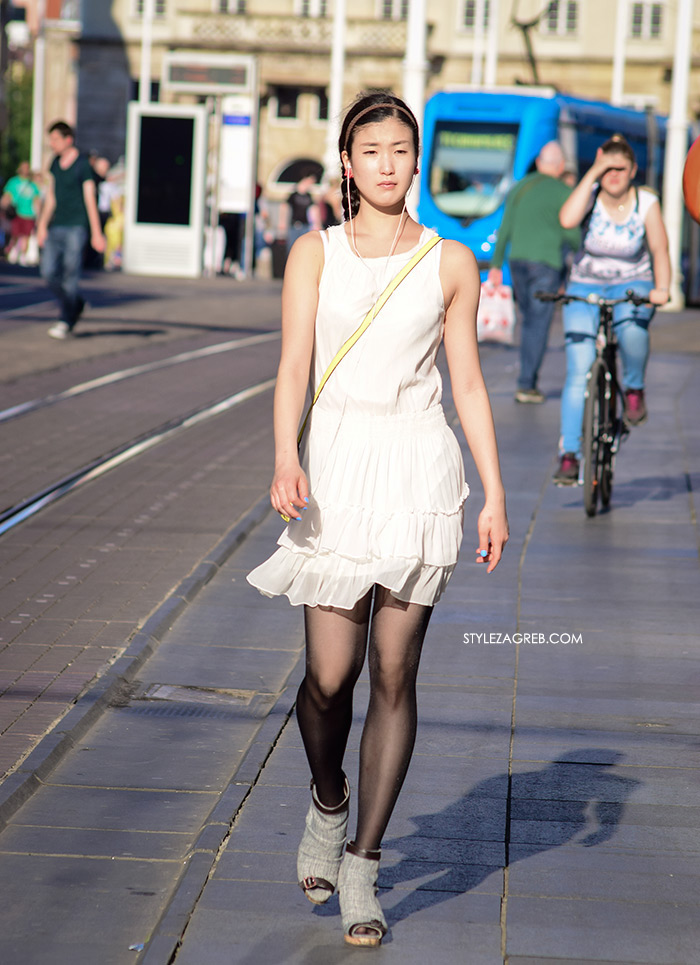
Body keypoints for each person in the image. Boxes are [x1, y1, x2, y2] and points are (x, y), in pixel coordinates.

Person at [246, 91, 508, 949]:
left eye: (402, 149)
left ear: (415, 160)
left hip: (417, 468)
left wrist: (494, 490)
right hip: (337, 467)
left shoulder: (450, 261)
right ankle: (328, 800)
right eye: (373, 150)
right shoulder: (311, 254)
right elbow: (291, 366)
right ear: (347, 163)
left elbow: (467, 383)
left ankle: (363, 859)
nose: (388, 163)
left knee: (395, 672)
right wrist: (287, 452)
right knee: (330, 676)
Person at [554, 134, 671, 484]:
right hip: (585, 284)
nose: (614, 176)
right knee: (578, 371)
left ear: (633, 170)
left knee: (633, 331)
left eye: (620, 169)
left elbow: (660, 249)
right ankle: (569, 454)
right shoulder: (590, 195)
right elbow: (566, 220)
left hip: (632, 285)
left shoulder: (646, 202)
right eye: (608, 169)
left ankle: (634, 388)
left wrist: (662, 289)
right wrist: (593, 173)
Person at [488, 141, 581, 404]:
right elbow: (571, 233)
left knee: (528, 319)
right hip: (546, 264)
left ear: (540, 163)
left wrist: (496, 265)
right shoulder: (564, 191)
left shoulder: (520, 186)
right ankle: (527, 384)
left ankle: (526, 378)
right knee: (538, 324)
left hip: (517, 262)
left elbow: (504, 227)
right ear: (561, 166)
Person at [36, 121, 105, 339]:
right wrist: (42, 225)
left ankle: (66, 319)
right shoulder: (55, 163)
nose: (52, 144)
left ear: (68, 139)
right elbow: (52, 198)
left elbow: (90, 198)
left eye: (55, 139)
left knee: (70, 273)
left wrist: (96, 232)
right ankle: (76, 302)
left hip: (77, 226)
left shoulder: (82, 164)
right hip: (57, 225)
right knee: (48, 272)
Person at [1, 161, 41, 266]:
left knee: (25, 236)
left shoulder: (32, 185)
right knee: (14, 234)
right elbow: (7, 196)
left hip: (28, 214)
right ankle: (13, 249)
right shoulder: (13, 182)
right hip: (16, 213)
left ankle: (22, 255)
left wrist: (39, 215)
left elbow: (36, 200)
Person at [280, 174, 319, 254]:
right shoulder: (293, 195)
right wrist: (282, 222)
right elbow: (284, 207)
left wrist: (316, 224)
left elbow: (313, 210)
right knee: (291, 249)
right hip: (294, 226)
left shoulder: (309, 196)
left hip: (305, 226)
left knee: (304, 249)